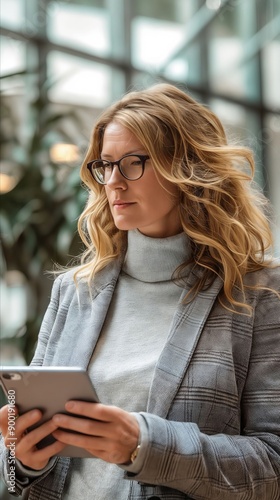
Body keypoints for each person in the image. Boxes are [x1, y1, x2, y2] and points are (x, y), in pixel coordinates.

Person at [0, 83, 280, 500]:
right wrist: (22, 459)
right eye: (105, 165)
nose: (113, 181)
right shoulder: (74, 292)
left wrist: (143, 444)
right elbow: (16, 471)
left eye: (132, 163)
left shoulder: (259, 295)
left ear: (187, 166)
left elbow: (272, 465)